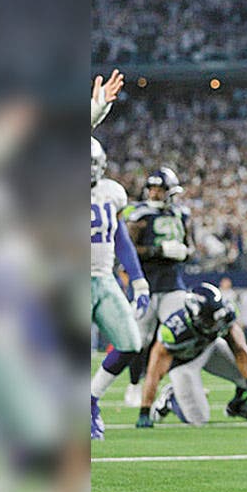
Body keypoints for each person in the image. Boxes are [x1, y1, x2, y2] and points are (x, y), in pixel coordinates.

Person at [89, 136, 151, 440]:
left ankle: (90, 400)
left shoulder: (112, 192)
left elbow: (120, 237)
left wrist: (138, 279)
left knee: (130, 343)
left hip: (103, 278)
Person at [136, 283, 247, 427]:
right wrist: (144, 411)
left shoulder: (225, 313)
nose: (215, 325)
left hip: (210, 348)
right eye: (209, 321)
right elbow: (154, 373)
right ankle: (171, 399)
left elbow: (240, 350)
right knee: (198, 419)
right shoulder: (174, 331)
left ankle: (240, 408)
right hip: (183, 363)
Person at [118, 165, 195, 406]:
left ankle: (179, 387)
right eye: (151, 189)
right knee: (140, 339)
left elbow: (191, 247)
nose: (154, 193)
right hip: (146, 285)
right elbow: (128, 250)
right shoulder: (139, 214)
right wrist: (158, 250)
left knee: (179, 336)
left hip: (173, 285)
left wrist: (185, 252)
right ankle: (134, 384)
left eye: (159, 189)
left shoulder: (181, 214)